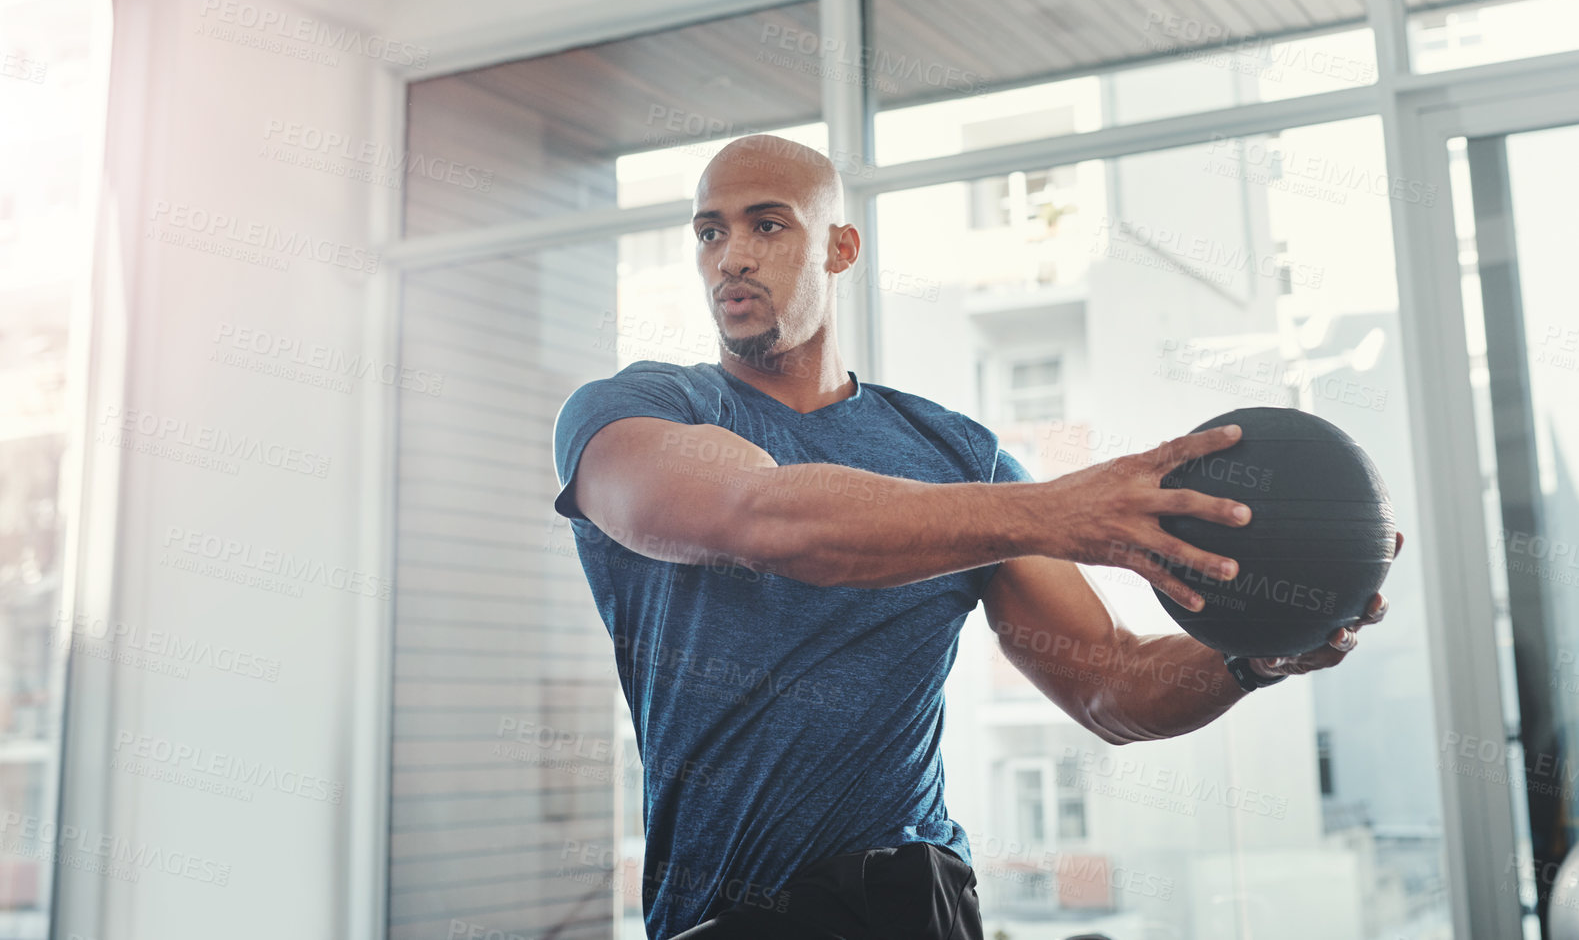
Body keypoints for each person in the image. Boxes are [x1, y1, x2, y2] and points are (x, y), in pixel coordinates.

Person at [550, 135, 1396, 939]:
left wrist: (1252, 657)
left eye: (767, 224)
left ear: (839, 248)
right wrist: (1054, 510)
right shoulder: (632, 412)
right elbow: (763, 518)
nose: (731, 255)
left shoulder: (955, 452)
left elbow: (1110, 682)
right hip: (719, 910)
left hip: (913, 901)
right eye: (709, 231)